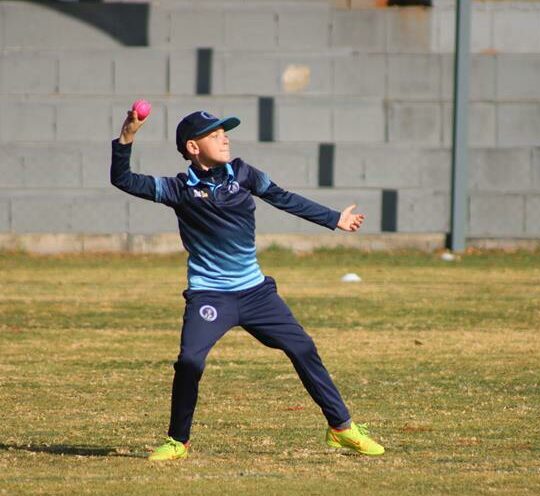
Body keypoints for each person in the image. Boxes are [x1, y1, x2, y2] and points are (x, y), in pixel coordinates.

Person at [110, 108, 385, 460]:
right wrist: (127, 136)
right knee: (190, 362)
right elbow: (123, 180)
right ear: (193, 147)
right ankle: (178, 441)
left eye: (225, 133)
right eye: (214, 135)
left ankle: (342, 429)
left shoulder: (243, 174)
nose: (224, 138)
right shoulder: (178, 189)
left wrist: (334, 219)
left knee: (303, 348)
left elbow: (284, 198)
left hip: (256, 294)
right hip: (210, 296)